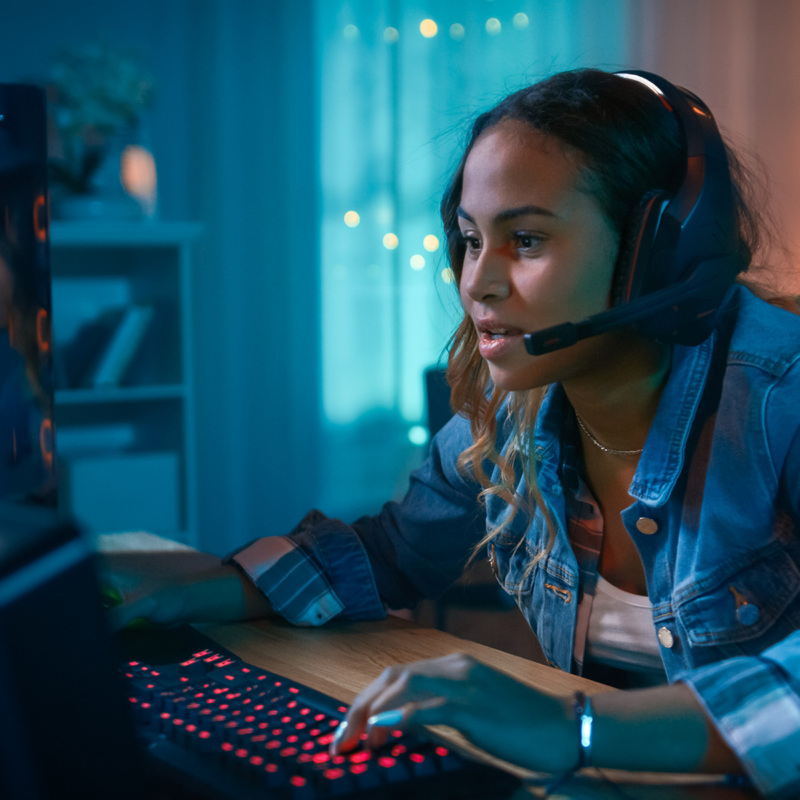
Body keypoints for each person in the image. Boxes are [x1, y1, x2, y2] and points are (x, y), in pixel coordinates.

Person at [102, 68, 800, 797]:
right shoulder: (514, 408)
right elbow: (397, 549)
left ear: (656, 254)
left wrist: (573, 729)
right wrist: (200, 592)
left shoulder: (781, 399)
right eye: (470, 240)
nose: (476, 283)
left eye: (525, 239)